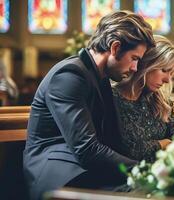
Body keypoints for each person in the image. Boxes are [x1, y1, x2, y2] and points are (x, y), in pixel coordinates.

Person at [23, 10, 155, 200]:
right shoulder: (69, 76)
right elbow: (87, 149)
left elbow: (111, 138)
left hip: (85, 171)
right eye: (134, 58)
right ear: (115, 48)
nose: (135, 68)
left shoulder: (98, 77)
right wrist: (144, 170)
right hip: (60, 176)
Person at [106, 35, 174, 162]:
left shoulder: (163, 103)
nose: (167, 80)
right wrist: (161, 144)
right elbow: (125, 150)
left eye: (171, 74)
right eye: (164, 70)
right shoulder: (111, 99)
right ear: (146, 64)